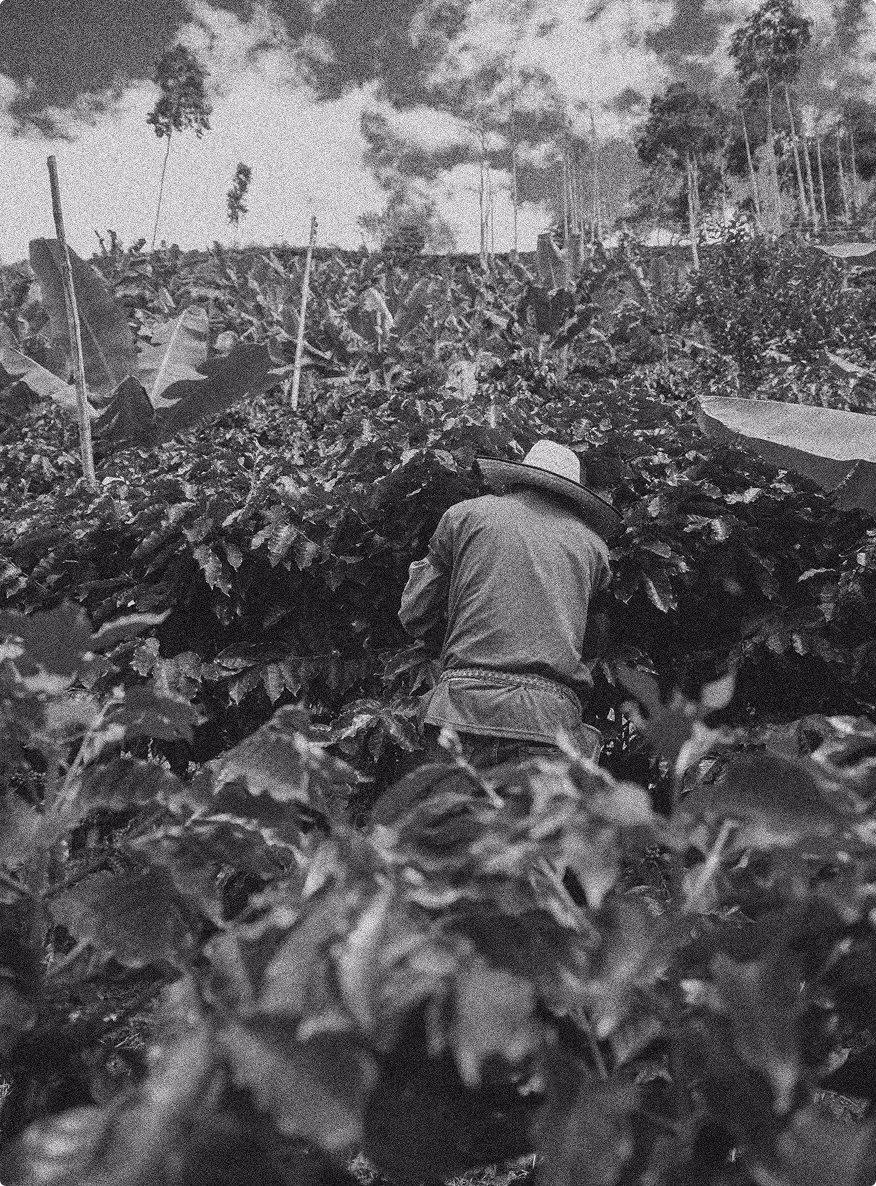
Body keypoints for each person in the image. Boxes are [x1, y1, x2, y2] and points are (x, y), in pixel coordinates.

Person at [398, 439, 622, 771]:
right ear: (573, 497)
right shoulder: (593, 548)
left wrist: (456, 640)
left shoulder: (465, 516)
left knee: (448, 819)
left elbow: (415, 612)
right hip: (548, 722)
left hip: (461, 709)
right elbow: (594, 643)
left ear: (514, 480)